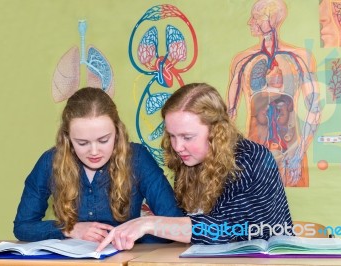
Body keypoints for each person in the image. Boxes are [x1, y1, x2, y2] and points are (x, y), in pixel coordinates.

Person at [96, 82, 293, 251]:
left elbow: (228, 230)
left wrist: (149, 223)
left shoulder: (253, 159)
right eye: (172, 135)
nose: (177, 146)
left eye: (187, 137)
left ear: (217, 132)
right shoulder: (191, 159)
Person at [13, 87, 183, 243]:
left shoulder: (137, 157)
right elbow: (23, 227)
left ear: (117, 132)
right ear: (67, 139)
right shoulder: (50, 162)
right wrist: (69, 229)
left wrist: (134, 236)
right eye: (82, 143)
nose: (94, 151)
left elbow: (174, 223)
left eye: (103, 140)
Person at [227, 0, 321, 187]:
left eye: (256, 17)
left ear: (271, 19)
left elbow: (314, 107)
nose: (249, 22)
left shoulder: (299, 57)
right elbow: (229, 114)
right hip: (254, 150)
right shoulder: (242, 60)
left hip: (292, 150)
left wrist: (300, 152)